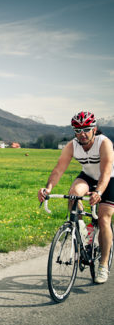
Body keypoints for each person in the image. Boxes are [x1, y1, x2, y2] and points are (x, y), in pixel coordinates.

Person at [38, 111, 114, 284]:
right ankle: (80, 229)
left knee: (103, 219)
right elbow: (58, 170)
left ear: (94, 129)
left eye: (86, 129)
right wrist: (48, 188)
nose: (82, 134)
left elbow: (106, 172)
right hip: (87, 176)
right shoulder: (72, 145)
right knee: (73, 194)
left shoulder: (104, 144)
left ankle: (103, 265)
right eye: (78, 130)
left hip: (109, 179)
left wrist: (99, 193)